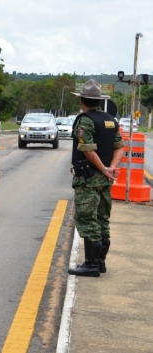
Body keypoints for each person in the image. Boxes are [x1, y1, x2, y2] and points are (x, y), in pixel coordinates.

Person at [68, 79, 124, 277]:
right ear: (99, 101)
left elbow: (88, 150)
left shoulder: (85, 121)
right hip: (104, 181)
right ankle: (100, 262)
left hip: (89, 179)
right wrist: (111, 168)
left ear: (83, 100)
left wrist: (103, 169)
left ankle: (91, 265)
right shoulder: (110, 120)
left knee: (87, 218)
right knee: (102, 218)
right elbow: (120, 147)